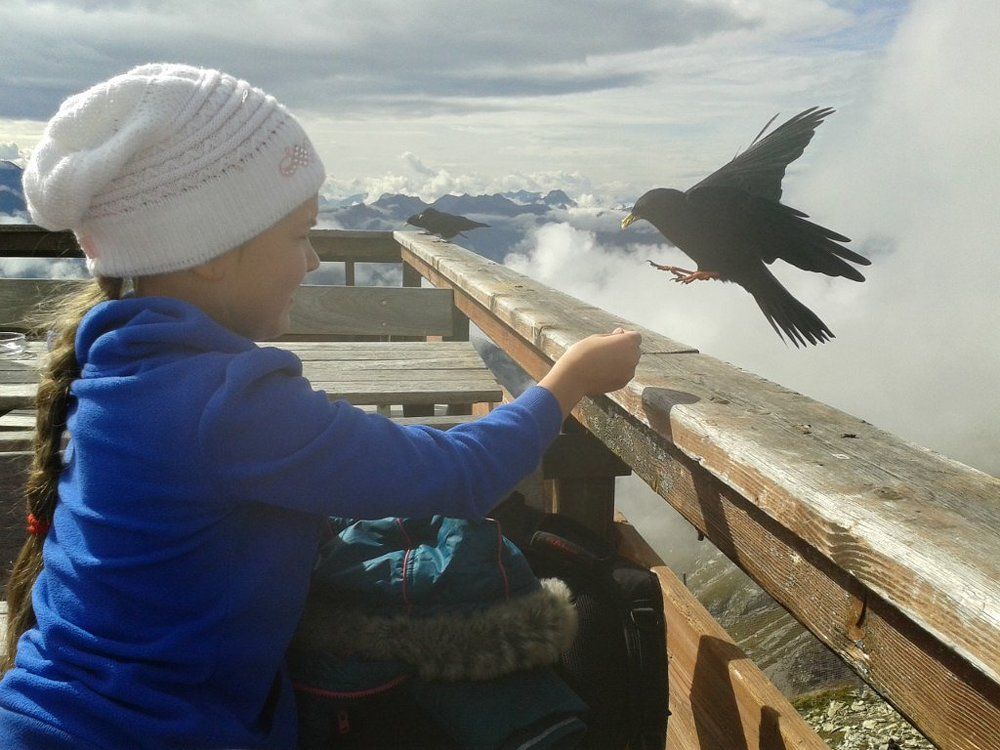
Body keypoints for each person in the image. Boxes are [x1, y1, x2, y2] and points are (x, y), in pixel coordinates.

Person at [0, 64, 642, 748]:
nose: (310, 260)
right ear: (211, 254)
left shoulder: (123, 366)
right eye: (298, 234)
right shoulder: (224, 403)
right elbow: (460, 474)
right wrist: (568, 379)